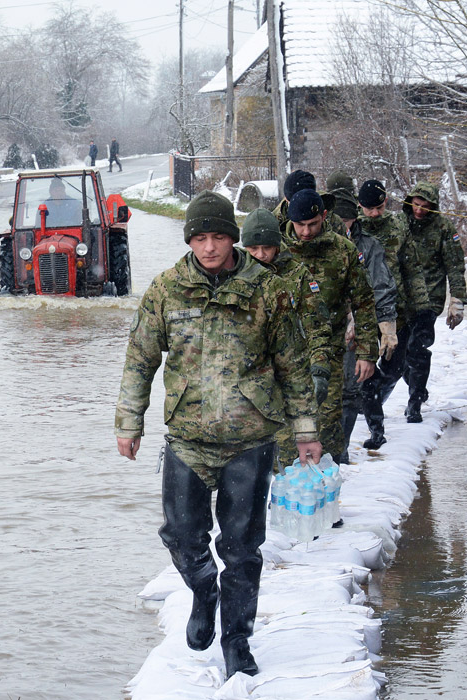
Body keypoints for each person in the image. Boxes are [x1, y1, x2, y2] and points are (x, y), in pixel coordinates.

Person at [115, 190, 322, 680]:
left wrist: (306, 430)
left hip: (251, 437)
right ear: (190, 240)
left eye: (219, 237)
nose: (209, 247)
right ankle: (204, 588)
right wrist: (129, 421)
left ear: (233, 238)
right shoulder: (167, 289)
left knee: (242, 548)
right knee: (181, 537)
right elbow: (140, 358)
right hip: (187, 437)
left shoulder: (269, 291)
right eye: (200, 238)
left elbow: (294, 364)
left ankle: (237, 642)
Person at [284, 188, 378, 464]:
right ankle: (287, 483)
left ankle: (330, 473)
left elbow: (364, 301)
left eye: (312, 224)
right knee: (286, 428)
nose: (306, 232)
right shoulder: (277, 251)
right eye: (300, 225)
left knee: (326, 421)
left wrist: (366, 352)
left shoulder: (343, 251)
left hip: (331, 351)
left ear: (324, 216)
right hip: (285, 353)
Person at [242, 208, 332, 471]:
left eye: (267, 248)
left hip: (286, 374)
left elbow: (317, 327)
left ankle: (286, 487)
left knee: (287, 451)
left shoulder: (297, 276)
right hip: (245, 379)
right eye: (253, 249)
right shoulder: (233, 275)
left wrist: (319, 368)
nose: (260, 255)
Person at [327, 174, 398, 458]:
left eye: (346, 221)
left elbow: (382, 287)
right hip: (319, 328)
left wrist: (386, 325)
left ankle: (341, 451)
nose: (342, 227)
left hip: (355, 329)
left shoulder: (368, 247)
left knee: (353, 388)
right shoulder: (313, 242)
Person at [357, 179, 429, 441]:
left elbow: (412, 269)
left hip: (397, 310)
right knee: (365, 367)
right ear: (360, 206)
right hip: (365, 310)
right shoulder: (354, 230)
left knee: (394, 366)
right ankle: (373, 419)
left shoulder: (398, 226)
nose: (374, 214)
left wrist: (422, 306)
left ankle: (374, 397)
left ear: (386, 202)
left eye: (379, 208)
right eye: (369, 209)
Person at [398, 182, 467, 422]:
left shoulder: (444, 228)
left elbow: (455, 267)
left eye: (425, 206)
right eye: (416, 205)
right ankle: (416, 384)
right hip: (402, 298)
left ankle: (414, 403)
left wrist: (457, 301)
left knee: (418, 349)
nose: (419, 210)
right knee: (400, 354)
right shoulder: (400, 224)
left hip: (429, 299)